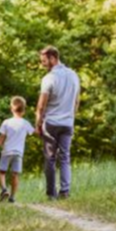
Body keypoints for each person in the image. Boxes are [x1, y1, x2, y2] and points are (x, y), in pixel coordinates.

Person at [35, 46, 80, 200]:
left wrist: (38, 124)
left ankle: (51, 194)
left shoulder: (49, 78)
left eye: (44, 61)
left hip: (51, 123)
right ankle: (65, 191)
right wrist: (71, 117)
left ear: (53, 58)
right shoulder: (74, 75)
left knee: (50, 158)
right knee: (65, 157)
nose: (43, 64)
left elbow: (41, 106)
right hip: (68, 123)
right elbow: (76, 102)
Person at [0, 96, 35, 203]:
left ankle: (4, 189)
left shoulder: (6, 122)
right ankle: (12, 197)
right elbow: (35, 132)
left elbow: (1, 138)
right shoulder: (25, 123)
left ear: (11, 109)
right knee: (15, 174)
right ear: (24, 110)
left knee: (1, 172)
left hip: (7, 151)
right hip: (18, 153)